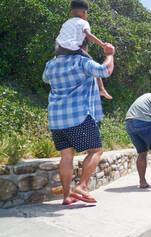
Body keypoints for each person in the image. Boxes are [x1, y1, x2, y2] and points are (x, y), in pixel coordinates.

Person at [42, 39, 116, 205]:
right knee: (96, 150)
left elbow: (45, 78)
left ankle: (67, 196)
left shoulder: (51, 65)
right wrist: (109, 55)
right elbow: (105, 70)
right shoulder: (82, 62)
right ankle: (82, 186)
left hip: (56, 119)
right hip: (78, 116)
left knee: (66, 156)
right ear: (81, 47)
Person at [55, 0, 112, 99]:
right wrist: (103, 45)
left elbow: (60, 37)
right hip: (72, 49)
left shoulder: (66, 23)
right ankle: (102, 89)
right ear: (84, 12)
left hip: (59, 49)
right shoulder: (83, 22)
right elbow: (89, 35)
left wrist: (56, 55)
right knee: (93, 64)